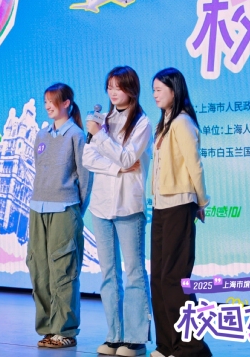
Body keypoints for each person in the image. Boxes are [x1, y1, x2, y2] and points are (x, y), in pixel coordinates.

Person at [82, 66, 152, 356]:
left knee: (134, 272)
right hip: (101, 207)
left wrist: (101, 139)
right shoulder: (103, 121)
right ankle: (114, 335)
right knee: (108, 274)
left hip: (128, 206)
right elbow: (87, 159)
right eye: (109, 86)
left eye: (118, 87)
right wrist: (116, 167)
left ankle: (135, 338)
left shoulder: (142, 123)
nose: (112, 92)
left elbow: (127, 156)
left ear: (131, 89)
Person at [149, 68, 211, 357]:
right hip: (161, 206)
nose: (154, 94)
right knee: (159, 278)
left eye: (159, 89)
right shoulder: (163, 123)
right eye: (153, 90)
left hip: (180, 204)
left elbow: (194, 164)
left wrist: (201, 201)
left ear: (174, 91)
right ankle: (167, 344)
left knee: (175, 278)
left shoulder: (183, 122)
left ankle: (191, 347)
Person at [27, 82, 91, 349]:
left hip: (65, 209)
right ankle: (47, 328)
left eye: (53, 101)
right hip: (37, 208)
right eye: (45, 101)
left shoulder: (76, 135)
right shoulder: (41, 135)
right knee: (39, 269)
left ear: (67, 103)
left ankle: (65, 330)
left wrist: (76, 210)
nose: (48, 106)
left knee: (64, 270)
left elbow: (85, 179)